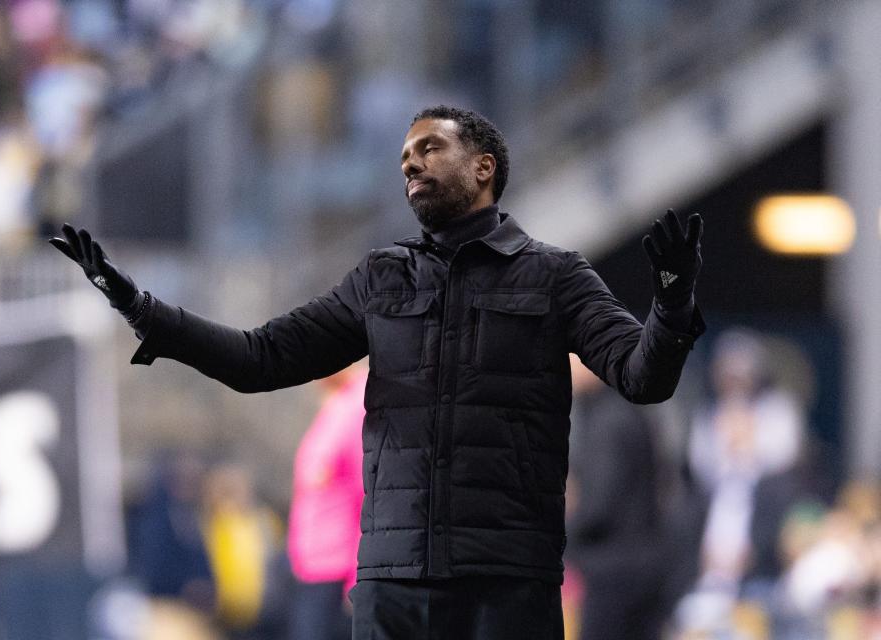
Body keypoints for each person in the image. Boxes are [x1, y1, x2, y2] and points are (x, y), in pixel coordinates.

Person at [50, 105, 705, 639]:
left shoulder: (556, 278)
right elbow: (261, 358)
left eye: (429, 149)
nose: (412, 164)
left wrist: (672, 307)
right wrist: (150, 315)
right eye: (405, 157)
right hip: (393, 587)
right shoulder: (380, 280)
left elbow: (642, 376)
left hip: (504, 584)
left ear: (484, 169)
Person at [566, 354, 672, 640]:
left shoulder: (609, 419)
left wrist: (554, 535)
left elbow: (598, 505)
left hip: (615, 571)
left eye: (573, 356)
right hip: (643, 563)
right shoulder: (628, 407)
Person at [287, 364, 367, 640]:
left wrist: (358, 579)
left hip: (337, 572)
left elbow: (367, 492)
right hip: (313, 569)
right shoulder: (337, 404)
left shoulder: (359, 405)